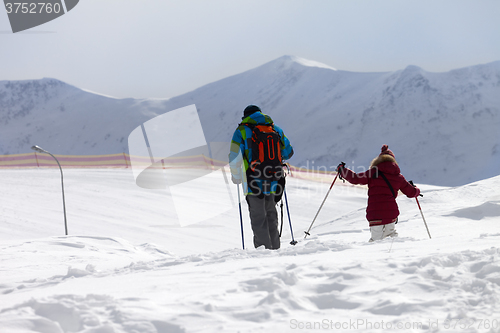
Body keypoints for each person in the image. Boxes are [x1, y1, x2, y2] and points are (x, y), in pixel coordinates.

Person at [229, 105, 294, 249]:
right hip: (273, 179)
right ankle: (276, 250)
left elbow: (234, 156)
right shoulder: (275, 129)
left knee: (259, 219)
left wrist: (236, 176)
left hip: (253, 181)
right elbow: (288, 152)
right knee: (271, 216)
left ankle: (263, 255)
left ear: (245, 116)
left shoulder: (242, 130)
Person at [336, 145, 421, 242]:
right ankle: (395, 255)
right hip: (391, 213)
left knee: (376, 241)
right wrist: (416, 189)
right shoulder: (398, 177)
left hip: (375, 214)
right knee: (392, 238)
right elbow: (412, 193)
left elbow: (355, 178)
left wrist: (342, 171)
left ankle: (376, 255)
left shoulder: (373, 173)